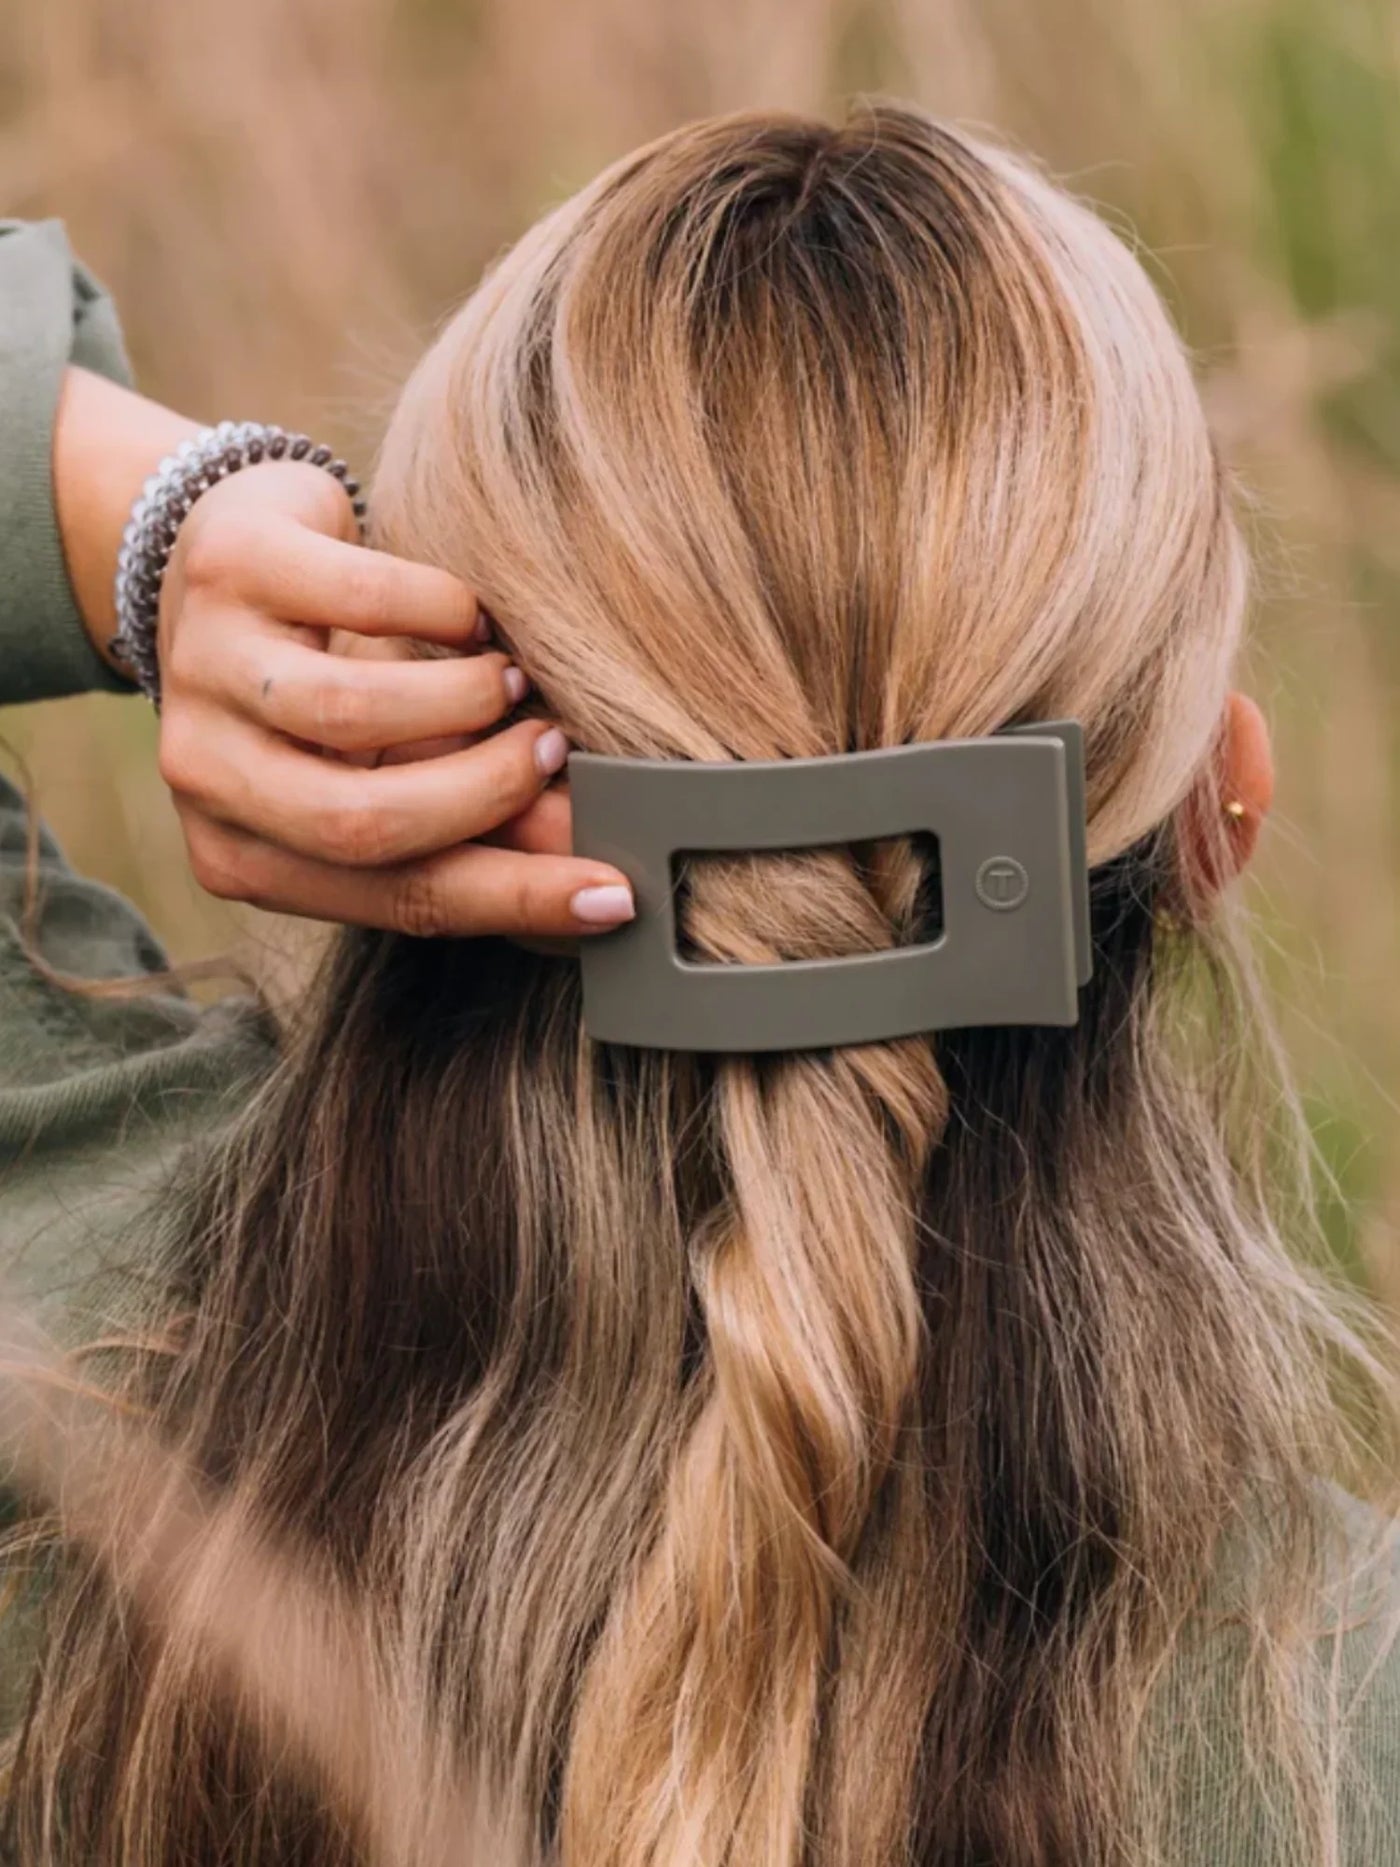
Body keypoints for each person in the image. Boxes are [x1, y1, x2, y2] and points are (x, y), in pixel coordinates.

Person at [1, 103, 1399, 1867]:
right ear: (1219, 812)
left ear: (403, 754)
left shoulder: (72, 1417)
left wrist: (161, 535)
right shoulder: (1344, 1732)